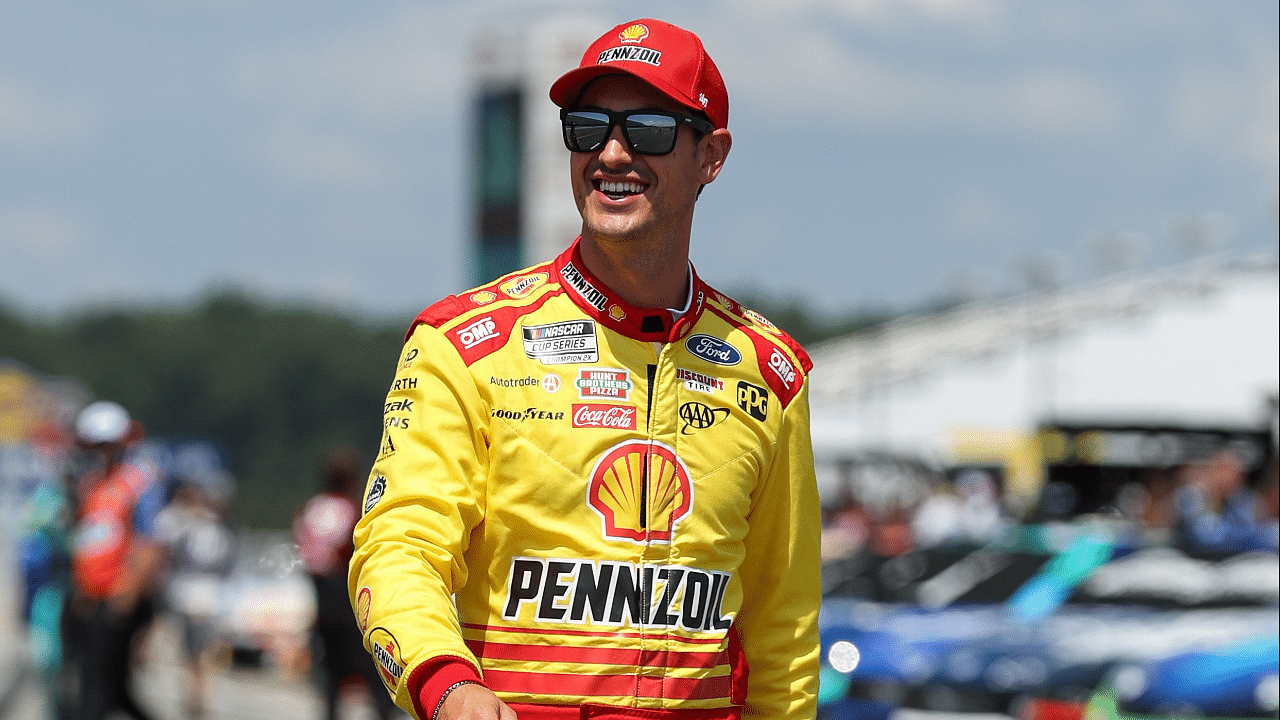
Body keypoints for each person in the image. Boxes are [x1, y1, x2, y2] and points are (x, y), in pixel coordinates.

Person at [350, 17, 821, 720]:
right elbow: (397, 547)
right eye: (587, 127)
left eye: (650, 130)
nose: (611, 153)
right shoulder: (466, 344)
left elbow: (783, 637)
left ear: (711, 156)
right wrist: (447, 686)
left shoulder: (770, 373)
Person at [64, 400, 166, 720]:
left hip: (117, 598)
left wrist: (128, 591)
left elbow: (149, 542)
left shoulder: (138, 482)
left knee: (96, 690)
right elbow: (87, 541)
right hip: (92, 596)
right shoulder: (91, 483)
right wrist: (81, 589)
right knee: (111, 688)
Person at [295, 451, 397, 720]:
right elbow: (355, 551)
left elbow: (306, 553)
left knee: (331, 670)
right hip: (346, 598)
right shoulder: (351, 509)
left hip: (319, 597)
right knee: (368, 664)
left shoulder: (311, 509)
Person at [153, 469, 236, 719]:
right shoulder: (222, 531)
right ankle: (201, 693)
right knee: (204, 653)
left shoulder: (187, 527)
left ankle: (194, 694)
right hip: (211, 596)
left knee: (191, 653)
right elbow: (227, 565)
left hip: (188, 594)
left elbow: (174, 557)